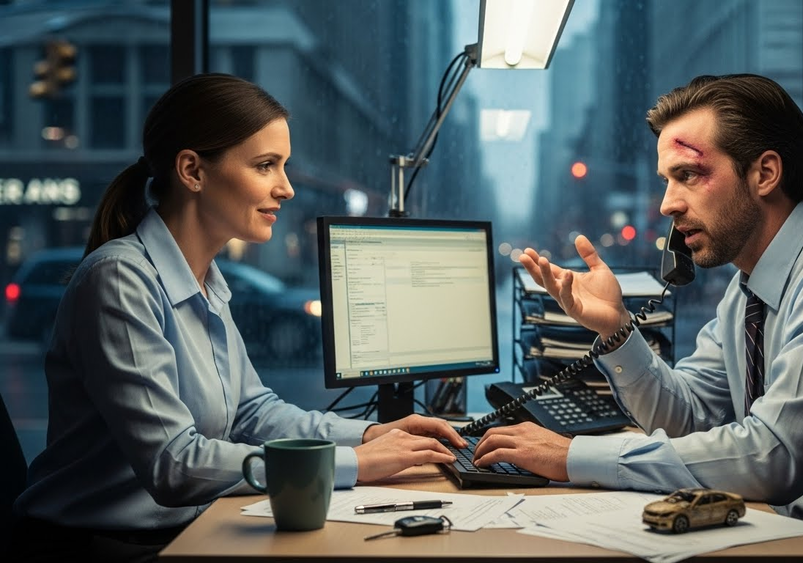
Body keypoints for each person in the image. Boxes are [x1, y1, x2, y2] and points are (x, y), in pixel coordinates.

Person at [474, 74, 803, 560]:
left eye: (688, 176)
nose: (667, 205)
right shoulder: (746, 291)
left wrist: (573, 457)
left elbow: (773, 456)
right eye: (666, 181)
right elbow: (691, 417)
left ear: (765, 173)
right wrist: (616, 330)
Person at [10, 73, 465, 562]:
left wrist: (374, 435)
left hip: (178, 534)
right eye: (266, 166)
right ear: (193, 171)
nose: (286, 189)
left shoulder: (206, 281)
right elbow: (174, 463)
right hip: (96, 548)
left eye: (283, 166)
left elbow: (253, 413)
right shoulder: (120, 278)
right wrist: (352, 463)